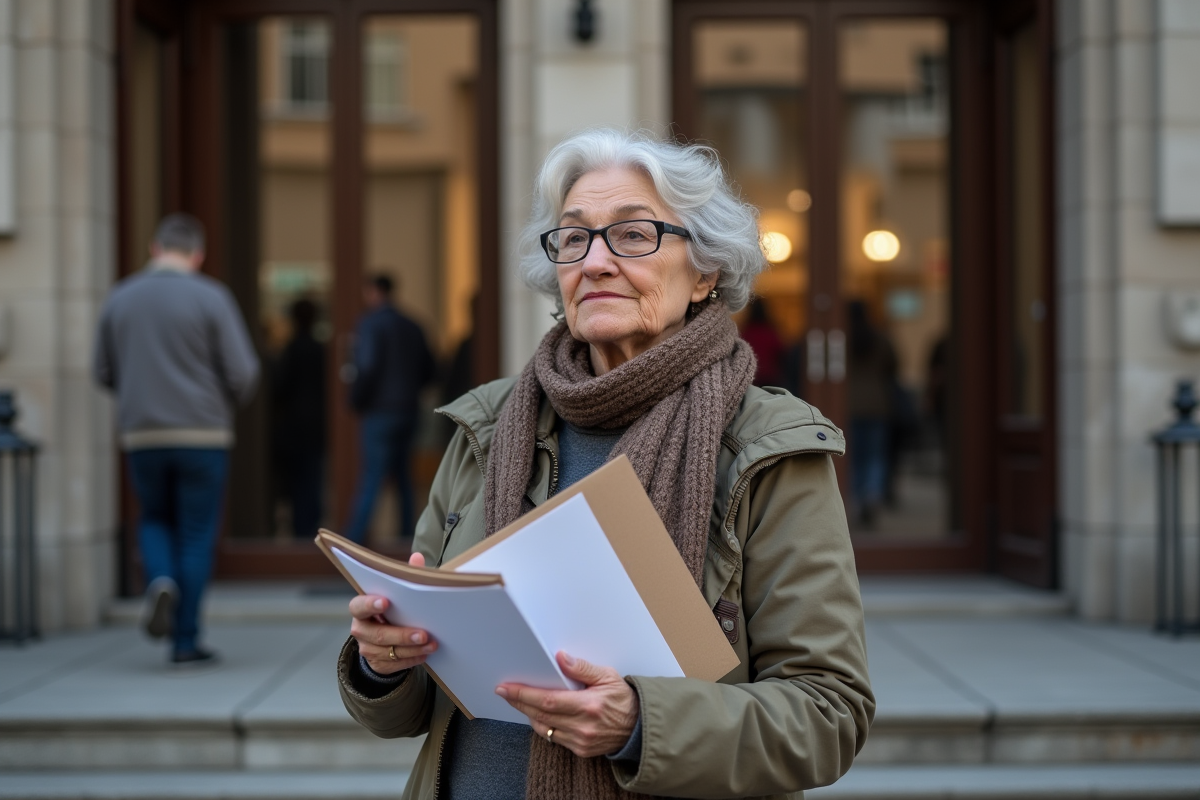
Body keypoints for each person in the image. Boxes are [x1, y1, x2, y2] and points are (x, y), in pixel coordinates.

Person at [335, 130, 874, 800]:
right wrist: (383, 663)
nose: (594, 262)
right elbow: (413, 709)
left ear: (704, 272)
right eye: (573, 238)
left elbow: (828, 714)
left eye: (633, 235)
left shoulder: (768, 447)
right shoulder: (488, 424)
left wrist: (642, 725)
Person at [94, 213, 259, 665]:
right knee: (196, 533)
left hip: (142, 434)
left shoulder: (120, 297)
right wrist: (221, 402)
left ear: (154, 248)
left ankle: (160, 578)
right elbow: (244, 373)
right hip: (203, 433)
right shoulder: (212, 297)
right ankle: (185, 641)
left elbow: (102, 370)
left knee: (153, 518)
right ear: (197, 254)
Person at [345, 274, 436, 543]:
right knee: (405, 478)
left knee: (372, 476)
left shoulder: (370, 324)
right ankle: (408, 538)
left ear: (373, 292)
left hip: (379, 411)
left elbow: (367, 366)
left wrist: (356, 400)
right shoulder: (413, 325)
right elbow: (431, 370)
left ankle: (352, 541)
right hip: (408, 409)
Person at [272, 298, 327, 538]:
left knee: (297, 479)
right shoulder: (321, 350)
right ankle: (312, 529)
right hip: (317, 422)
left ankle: (300, 530)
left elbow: (280, 386)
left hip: (294, 423)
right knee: (313, 477)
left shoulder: (292, 349)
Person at [846, 299, 898, 528]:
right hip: (877, 404)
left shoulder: (840, 338)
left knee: (853, 456)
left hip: (848, 405)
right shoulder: (880, 339)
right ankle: (872, 494)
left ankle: (856, 499)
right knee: (875, 456)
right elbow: (894, 368)